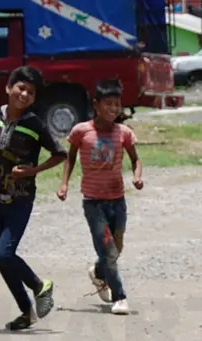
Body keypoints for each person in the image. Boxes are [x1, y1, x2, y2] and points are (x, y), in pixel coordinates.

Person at [0, 66, 67, 331]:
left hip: (21, 199)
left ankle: (39, 285)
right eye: (21, 88)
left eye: (31, 92)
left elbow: (60, 154)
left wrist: (34, 171)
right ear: (9, 88)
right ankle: (27, 312)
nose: (24, 94)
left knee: (4, 252)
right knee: (2, 259)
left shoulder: (34, 124)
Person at [57, 78, 143, 316]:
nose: (114, 109)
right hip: (93, 202)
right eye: (109, 104)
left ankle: (97, 272)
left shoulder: (124, 133)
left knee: (117, 246)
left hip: (118, 200)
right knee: (109, 250)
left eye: (117, 104)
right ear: (96, 104)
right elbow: (70, 157)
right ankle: (120, 296)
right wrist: (64, 184)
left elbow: (136, 159)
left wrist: (137, 176)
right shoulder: (81, 131)